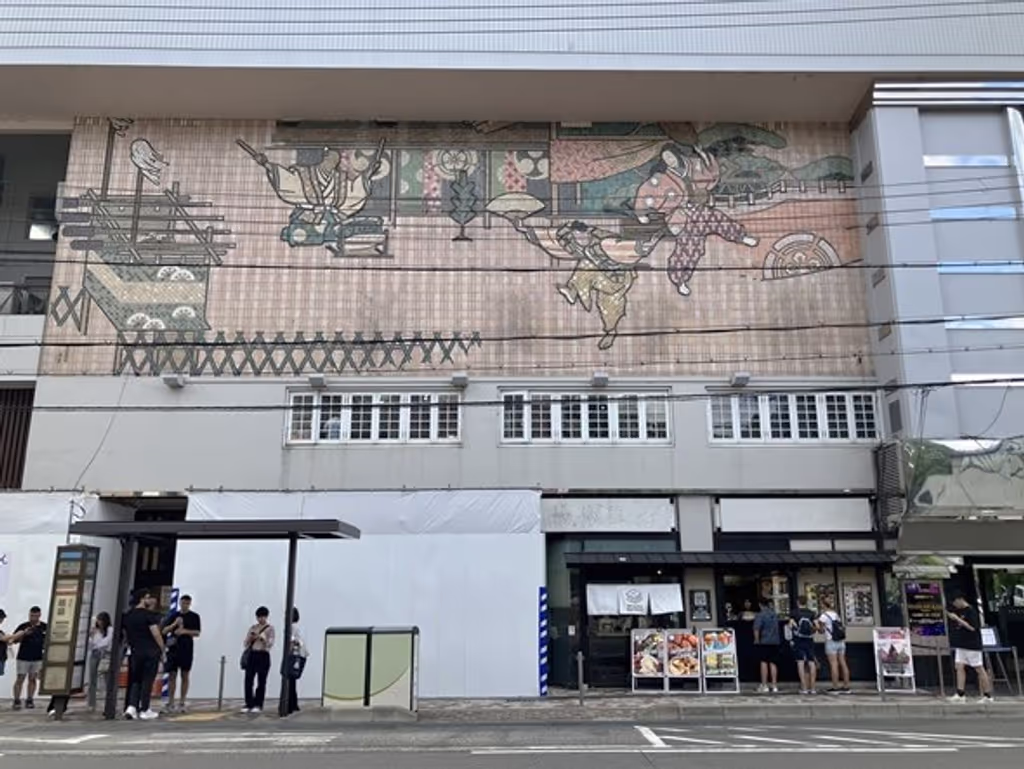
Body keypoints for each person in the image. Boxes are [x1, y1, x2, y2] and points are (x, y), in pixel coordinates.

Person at [123, 589, 165, 720]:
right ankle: (145, 709)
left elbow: (125, 635)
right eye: (147, 598)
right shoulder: (148, 615)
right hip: (150, 651)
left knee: (135, 680)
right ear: (142, 599)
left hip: (135, 651)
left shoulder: (128, 615)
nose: (149, 600)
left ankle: (132, 706)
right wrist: (162, 648)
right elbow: (156, 633)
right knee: (148, 680)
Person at [947, 594, 994, 703]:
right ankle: (960, 693)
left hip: (972, 644)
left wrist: (957, 619)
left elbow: (972, 628)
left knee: (979, 668)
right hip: (962, 644)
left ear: (960, 599)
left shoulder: (971, 611)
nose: (955, 605)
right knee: (959, 666)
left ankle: (987, 695)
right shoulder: (961, 611)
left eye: (955, 602)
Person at [162, 594, 201, 713]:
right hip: (173, 649)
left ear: (190, 604)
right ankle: (171, 701)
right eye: (183, 603)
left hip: (186, 648)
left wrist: (184, 631)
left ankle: (182, 701)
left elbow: (197, 632)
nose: (184, 605)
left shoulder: (194, 616)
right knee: (172, 675)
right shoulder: (173, 615)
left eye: (187, 603)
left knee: (185, 674)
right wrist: (174, 625)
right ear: (179, 603)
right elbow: (164, 630)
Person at [10, 606, 47, 710]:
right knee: (20, 679)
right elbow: (14, 640)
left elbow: (47, 641)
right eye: (31, 616)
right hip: (23, 657)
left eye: (35, 616)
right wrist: (24, 634)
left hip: (37, 657)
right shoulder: (23, 626)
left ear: (39, 615)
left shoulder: (44, 627)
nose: (33, 618)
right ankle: (16, 700)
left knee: (33, 679)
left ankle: (30, 699)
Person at [242, 607, 275, 714]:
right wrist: (251, 638)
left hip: (263, 655)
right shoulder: (253, 628)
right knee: (248, 680)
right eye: (259, 617)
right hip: (252, 654)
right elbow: (246, 643)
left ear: (266, 617)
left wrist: (262, 638)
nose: (261, 619)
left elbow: (270, 644)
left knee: (261, 681)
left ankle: (258, 704)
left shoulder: (270, 628)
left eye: (263, 617)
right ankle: (249, 703)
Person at [818, 597, 851, 694]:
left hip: (831, 641)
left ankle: (835, 687)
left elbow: (821, 631)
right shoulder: (836, 615)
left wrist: (816, 624)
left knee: (833, 664)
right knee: (843, 663)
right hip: (841, 641)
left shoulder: (823, 616)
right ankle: (846, 686)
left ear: (823, 605)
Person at [789, 596, 819, 696]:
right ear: (806, 602)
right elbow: (817, 627)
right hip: (809, 640)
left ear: (798, 602)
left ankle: (804, 687)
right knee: (811, 662)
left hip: (798, 639)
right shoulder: (811, 613)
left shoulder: (794, 613)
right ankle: (813, 688)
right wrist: (811, 631)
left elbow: (790, 625)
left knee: (800, 663)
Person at [284, 607, 309, 716]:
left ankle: (289, 705)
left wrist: (287, 654)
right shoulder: (298, 627)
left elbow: (292, 641)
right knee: (292, 681)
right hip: (300, 655)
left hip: (293, 656)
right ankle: (294, 704)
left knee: (289, 680)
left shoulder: (290, 627)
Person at [753, 599, 780, 693]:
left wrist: (756, 640)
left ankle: (764, 685)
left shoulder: (760, 615)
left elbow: (756, 628)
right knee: (773, 663)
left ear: (760, 605)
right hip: (775, 641)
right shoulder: (774, 614)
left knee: (764, 662)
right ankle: (774, 685)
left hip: (764, 641)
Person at [87, 612, 113, 711]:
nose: (99, 622)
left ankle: (108, 701)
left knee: (107, 678)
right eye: (97, 620)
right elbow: (90, 645)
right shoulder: (95, 631)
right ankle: (91, 703)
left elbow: (107, 641)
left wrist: (97, 645)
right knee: (92, 678)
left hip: (105, 654)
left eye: (100, 620)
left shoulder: (110, 630)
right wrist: (91, 635)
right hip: (95, 654)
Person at [0, 609, 9, 677]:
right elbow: (3, 638)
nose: (2, 620)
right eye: (2, 618)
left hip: (2, 658)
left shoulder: (1, 632)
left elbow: (7, 641)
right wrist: (21, 633)